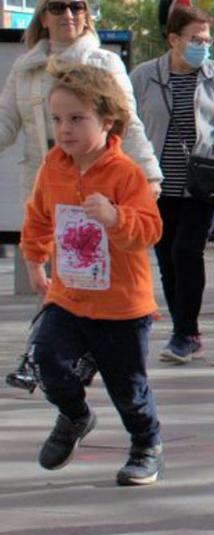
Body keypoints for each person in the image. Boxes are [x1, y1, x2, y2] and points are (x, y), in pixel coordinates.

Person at [21, 65, 163, 486]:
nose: (65, 129)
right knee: (47, 360)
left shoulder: (125, 174)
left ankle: (145, 443)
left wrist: (115, 216)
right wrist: (34, 260)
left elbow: (149, 230)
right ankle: (76, 416)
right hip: (67, 298)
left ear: (107, 120)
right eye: (58, 119)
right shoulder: (53, 166)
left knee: (128, 388)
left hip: (121, 306)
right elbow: (38, 217)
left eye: (77, 118)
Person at [131, 5, 214, 363]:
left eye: (207, 39)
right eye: (195, 39)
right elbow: (127, 125)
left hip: (203, 184)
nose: (203, 45)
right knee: (167, 256)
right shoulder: (143, 76)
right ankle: (182, 328)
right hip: (158, 183)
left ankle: (187, 333)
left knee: (186, 250)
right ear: (173, 39)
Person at [0, 0, 162, 200]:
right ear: (43, 18)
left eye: (76, 7)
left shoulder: (106, 63)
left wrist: (148, 175)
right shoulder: (24, 68)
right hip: (41, 189)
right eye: (58, 7)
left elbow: (127, 123)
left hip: (97, 187)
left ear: (85, 16)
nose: (68, 14)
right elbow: (4, 121)